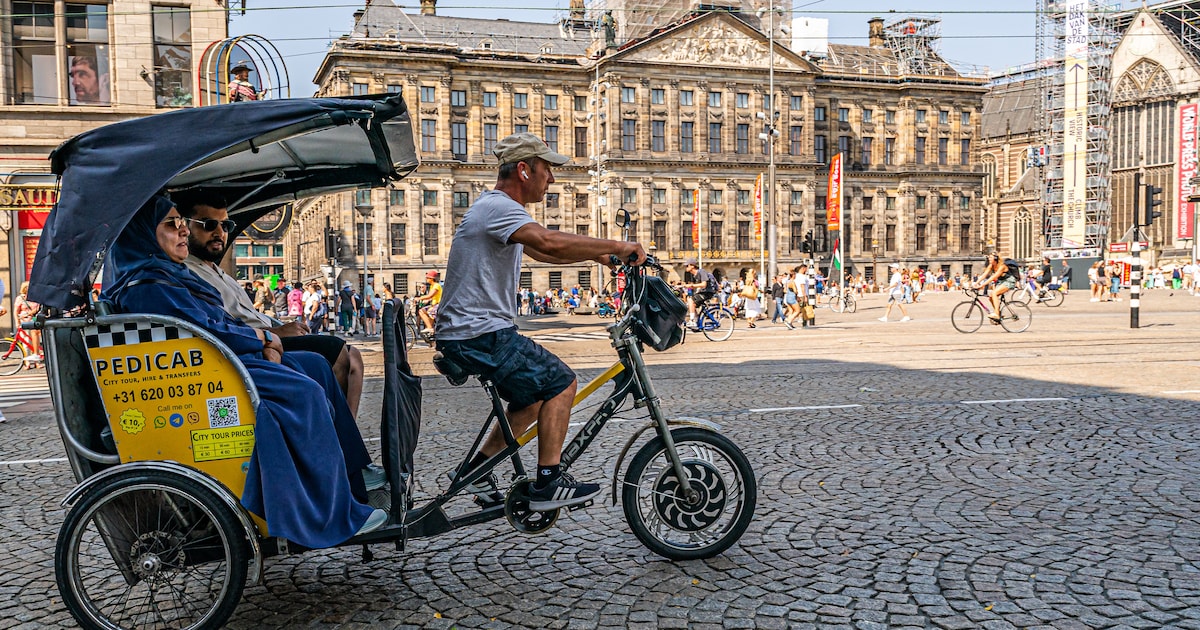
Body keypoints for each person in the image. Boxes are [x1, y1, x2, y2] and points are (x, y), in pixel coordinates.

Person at [102, 195, 386, 547]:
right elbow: (205, 334)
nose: (181, 232)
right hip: (207, 374)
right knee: (306, 391)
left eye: (180, 223)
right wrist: (261, 338)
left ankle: (346, 478)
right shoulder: (150, 286)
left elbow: (212, 324)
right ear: (145, 235)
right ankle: (330, 512)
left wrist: (262, 339)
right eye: (171, 224)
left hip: (221, 359)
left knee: (313, 366)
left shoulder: (167, 276)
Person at [435, 132, 645, 511]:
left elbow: (541, 252)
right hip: (479, 334)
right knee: (561, 384)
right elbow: (547, 242)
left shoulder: (496, 210)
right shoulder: (499, 207)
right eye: (547, 168)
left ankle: (477, 471)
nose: (552, 178)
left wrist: (597, 257)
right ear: (523, 170)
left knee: (531, 400)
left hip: (472, 332)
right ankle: (549, 482)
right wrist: (616, 246)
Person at [176, 192, 366, 416]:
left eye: (225, 226)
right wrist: (274, 333)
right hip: (251, 348)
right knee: (337, 352)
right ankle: (338, 433)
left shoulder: (219, 272)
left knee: (354, 356)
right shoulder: (188, 273)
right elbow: (219, 326)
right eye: (209, 225)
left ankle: (347, 430)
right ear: (185, 228)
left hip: (267, 335)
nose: (219, 233)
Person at [974, 253, 1018, 322]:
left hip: (1009, 281)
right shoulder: (991, 265)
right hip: (1001, 281)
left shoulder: (1002, 266)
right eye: (989, 258)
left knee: (994, 293)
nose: (989, 259)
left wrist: (981, 286)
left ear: (996, 259)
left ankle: (996, 314)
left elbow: (993, 277)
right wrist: (975, 283)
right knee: (991, 296)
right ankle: (999, 314)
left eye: (991, 258)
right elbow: (984, 275)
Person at [680, 258, 718, 325]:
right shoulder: (695, 275)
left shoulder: (701, 272)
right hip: (703, 292)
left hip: (708, 292)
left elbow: (704, 284)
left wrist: (692, 285)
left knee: (690, 299)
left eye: (687, 266)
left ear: (692, 266)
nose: (686, 267)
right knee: (691, 303)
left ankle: (692, 320)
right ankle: (696, 320)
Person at [15, 282, 42, 363]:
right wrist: (17, 322)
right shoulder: (20, 298)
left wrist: (28, 313)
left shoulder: (36, 297)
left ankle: (37, 361)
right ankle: (27, 363)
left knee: (36, 340)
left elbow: (38, 308)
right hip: (25, 322)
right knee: (26, 342)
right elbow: (16, 311)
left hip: (34, 321)